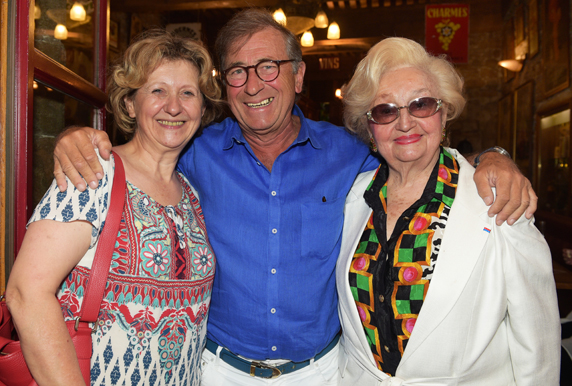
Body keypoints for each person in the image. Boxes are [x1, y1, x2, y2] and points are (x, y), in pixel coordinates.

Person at [51, 9, 537, 385]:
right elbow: (140, 151)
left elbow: (414, 149)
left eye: (269, 66)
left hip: (322, 373)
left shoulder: (350, 155)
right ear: (223, 87)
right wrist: (78, 137)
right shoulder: (195, 153)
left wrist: (494, 156)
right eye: (238, 71)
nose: (254, 84)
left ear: (298, 77)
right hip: (220, 372)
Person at [336, 37, 560, 385]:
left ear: (444, 112)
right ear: (369, 126)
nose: (405, 122)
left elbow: (537, 341)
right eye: (386, 110)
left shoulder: (498, 197)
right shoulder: (352, 196)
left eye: (421, 104)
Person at [5, 30, 221, 385]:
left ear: (202, 107)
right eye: (157, 90)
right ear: (129, 104)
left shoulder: (191, 194)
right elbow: (26, 293)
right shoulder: (94, 173)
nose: (174, 106)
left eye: (187, 93)